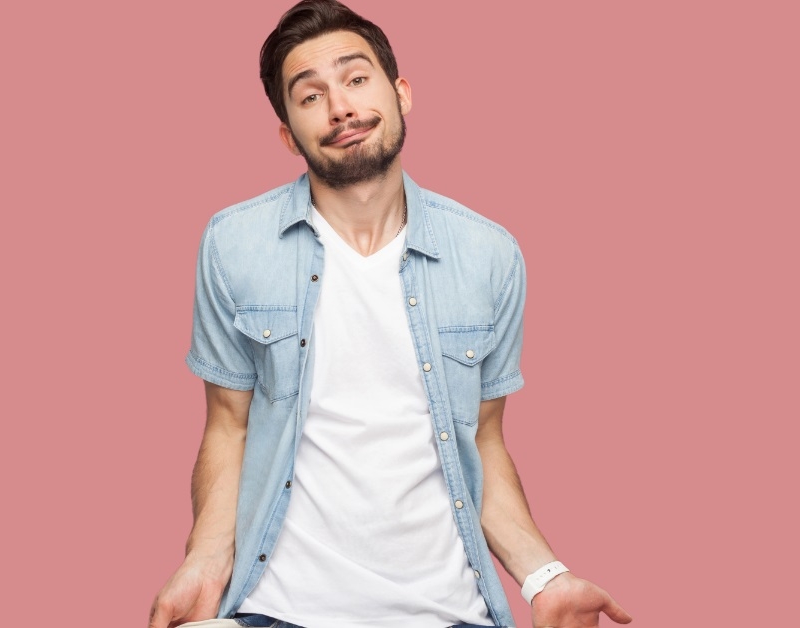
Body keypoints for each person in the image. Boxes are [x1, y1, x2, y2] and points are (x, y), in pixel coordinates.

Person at [149, 2, 632, 627]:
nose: (340, 108)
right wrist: (203, 562)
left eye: (356, 79)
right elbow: (227, 427)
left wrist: (546, 578)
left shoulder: (487, 255)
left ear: (401, 93)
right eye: (310, 96)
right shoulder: (234, 245)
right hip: (278, 612)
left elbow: (481, 441)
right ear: (288, 134)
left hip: (451, 615)